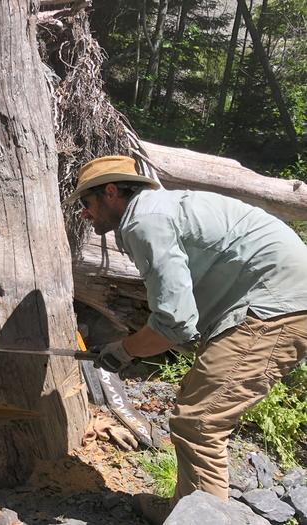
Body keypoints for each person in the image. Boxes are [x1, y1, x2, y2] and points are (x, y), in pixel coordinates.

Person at [66, 155, 307, 524]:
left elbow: (175, 323)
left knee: (200, 421)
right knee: (195, 413)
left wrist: (123, 351)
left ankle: (198, 517)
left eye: (87, 202)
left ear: (111, 192)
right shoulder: (158, 210)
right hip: (271, 301)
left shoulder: (145, 221)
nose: (84, 213)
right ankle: (186, 508)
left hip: (273, 306)